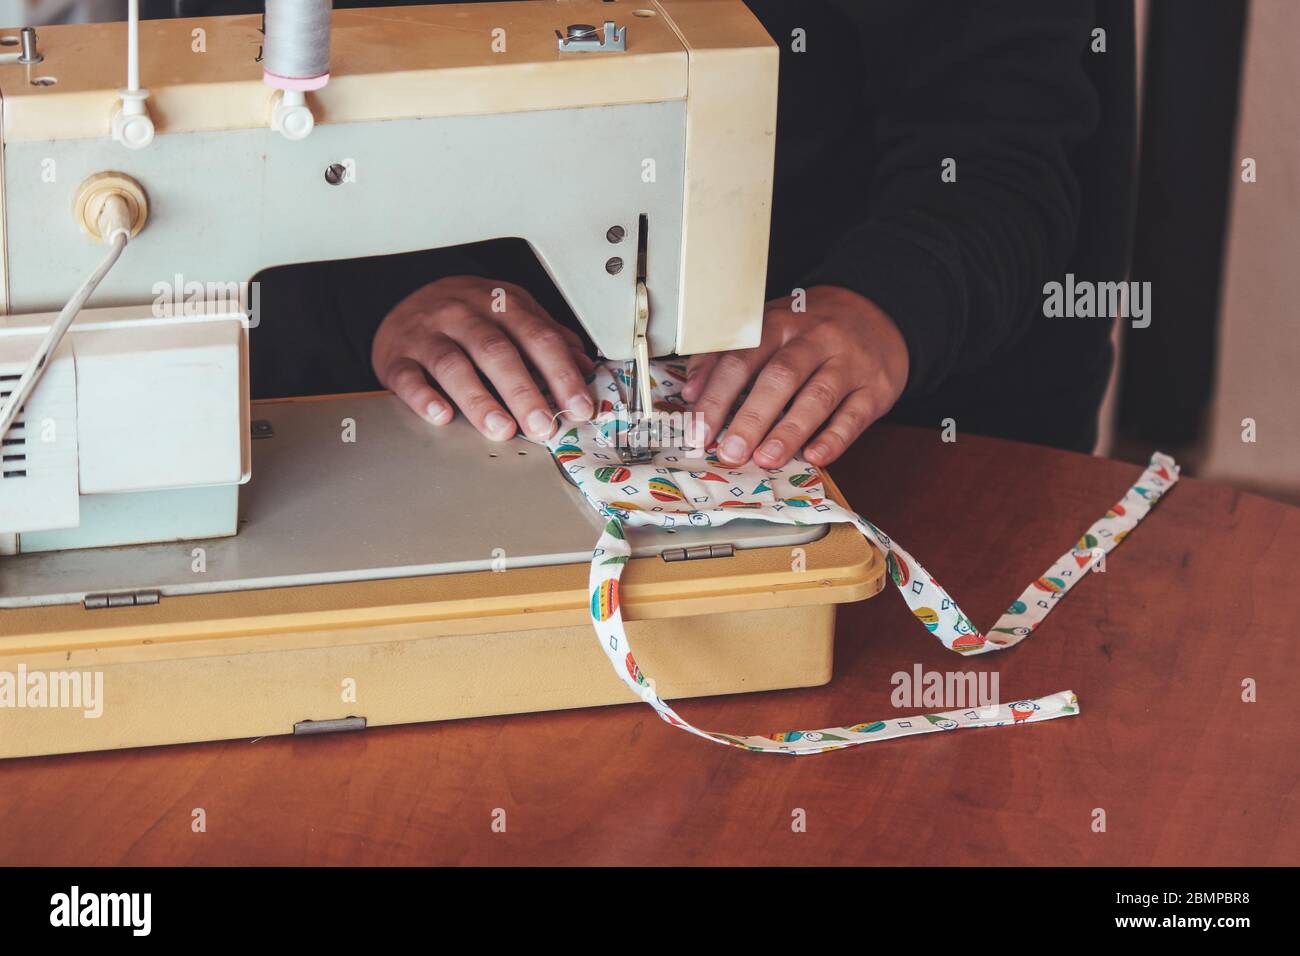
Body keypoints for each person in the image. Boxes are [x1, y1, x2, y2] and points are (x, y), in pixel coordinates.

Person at [245, 0, 1135, 464]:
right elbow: (246, 121)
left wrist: (882, 302)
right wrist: (373, 291)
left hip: (910, 427)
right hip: (394, 407)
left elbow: (998, 139)